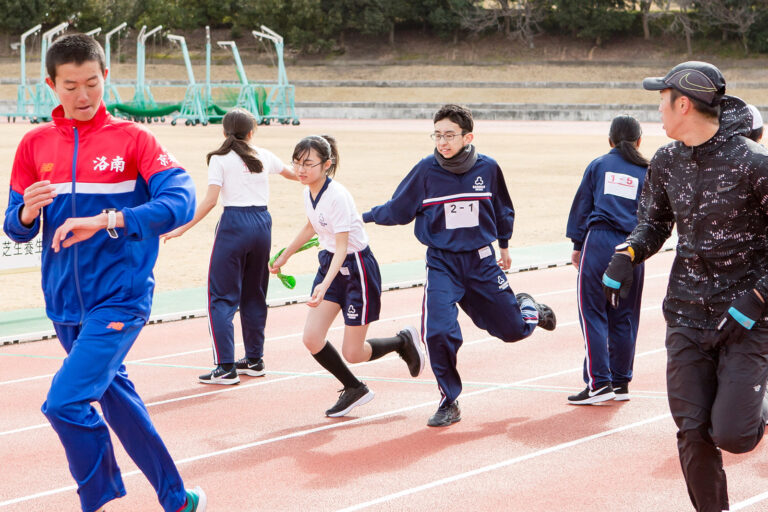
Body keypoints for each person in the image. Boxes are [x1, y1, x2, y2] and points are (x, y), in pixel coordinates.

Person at [2, 34, 205, 512]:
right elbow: (14, 226)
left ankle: (96, 499)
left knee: (64, 403)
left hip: (119, 297)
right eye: (70, 85)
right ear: (51, 84)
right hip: (64, 305)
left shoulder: (134, 140)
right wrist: (26, 214)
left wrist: (110, 218)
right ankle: (178, 499)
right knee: (118, 401)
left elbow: (181, 201)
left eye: (92, 82)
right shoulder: (34, 145)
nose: (83, 95)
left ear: (105, 77)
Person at [603, 61, 768, 512]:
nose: (657, 109)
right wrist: (629, 254)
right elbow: (653, 224)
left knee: (733, 434)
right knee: (692, 433)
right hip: (686, 315)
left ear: (683, 103)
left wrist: (756, 299)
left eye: (662, 99)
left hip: (747, 319)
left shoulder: (755, 165)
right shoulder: (665, 161)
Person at [362, 104, 556, 427]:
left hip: (481, 262)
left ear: (468, 137)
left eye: (449, 135)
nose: (442, 142)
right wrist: (363, 217)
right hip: (442, 264)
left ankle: (530, 307)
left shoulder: (488, 169)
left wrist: (504, 245)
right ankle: (449, 400)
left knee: (514, 331)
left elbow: (504, 209)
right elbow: (398, 209)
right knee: (437, 331)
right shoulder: (425, 171)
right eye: (437, 135)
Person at [269, 135, 424, 418]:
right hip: (330, 264)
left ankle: (402, 341)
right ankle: (354, 388)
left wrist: (323, 285)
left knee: (354, 353)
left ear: (327, 165)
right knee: (312, 338)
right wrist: (285, 255)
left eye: (308, 164)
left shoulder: (337, 196)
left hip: (356, 270)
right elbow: (310, 227)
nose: (301, 169)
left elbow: (343, 247)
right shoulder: (308, 192)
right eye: (297, 162)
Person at [162, 108, 297, 385]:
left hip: (234, 225)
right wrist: (319, 173)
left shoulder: (220, 159)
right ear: (251, 132)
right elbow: (293, 175)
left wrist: (184, 228)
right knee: (254, 294)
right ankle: (255, 359)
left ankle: (225, 367)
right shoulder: (264, 155)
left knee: (221, 298)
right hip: (262, 224)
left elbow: (211, 201)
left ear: (224, 132)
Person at [565, 115, 649, 405]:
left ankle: (599, 383)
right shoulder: (648, 171)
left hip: (600, 242)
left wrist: (578, 244)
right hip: (634, 247)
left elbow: (582, 207)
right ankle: (620, 381)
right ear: (639, 141)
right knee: (624, 314)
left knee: (593, 312)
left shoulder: (599, 165)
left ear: (610, 140)